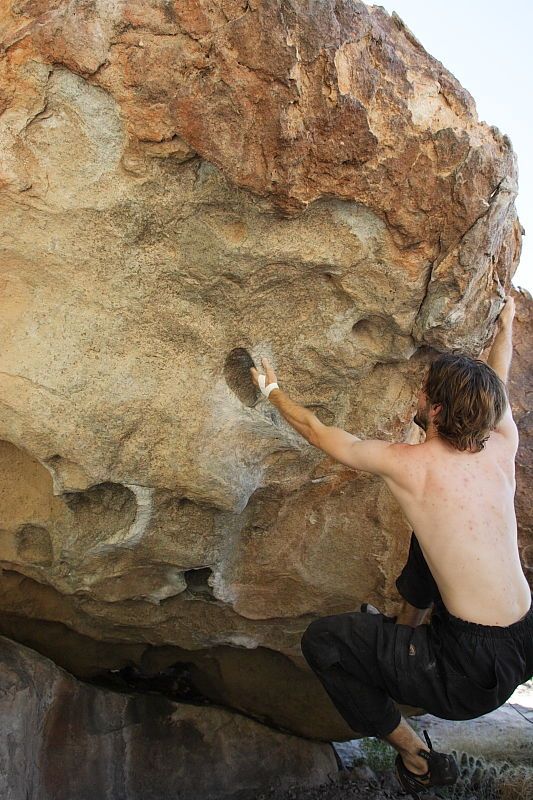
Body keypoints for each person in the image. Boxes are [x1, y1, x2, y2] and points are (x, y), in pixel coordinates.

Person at [250, 294, 532, 798]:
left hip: (464, 673)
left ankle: (415, 755)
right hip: (524, 640)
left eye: (424, 392)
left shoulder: (411, 465)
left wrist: (271, 389)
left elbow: (320, 433)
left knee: (325, 641)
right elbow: (500, 372)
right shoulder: (502, 441)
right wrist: (506, 321)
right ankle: (406, 630)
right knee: (430, 542)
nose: (418, 395)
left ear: (438, 411)